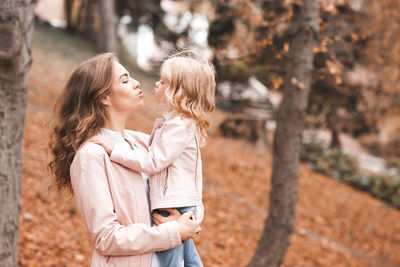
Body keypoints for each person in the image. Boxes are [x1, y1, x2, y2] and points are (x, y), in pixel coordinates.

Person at [48, 53, 201, 267]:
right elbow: (106, 238)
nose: (137, 83)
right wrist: (172, 232)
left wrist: (190, 222)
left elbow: (183, 184)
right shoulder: (91, 156)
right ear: (104, 98)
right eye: (125, 80)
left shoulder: (145, 143)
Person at [91, 51, 216, 267]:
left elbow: (152, 161)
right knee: (189, 260)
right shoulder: (173, 125)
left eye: (164, 81)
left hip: (175, 203)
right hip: (178, 203)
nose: (155, 84)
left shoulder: (179, 126)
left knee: (174, 262)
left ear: (179, 91)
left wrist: (114, 151)